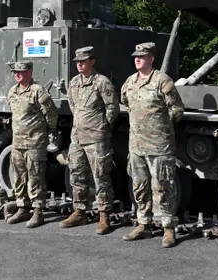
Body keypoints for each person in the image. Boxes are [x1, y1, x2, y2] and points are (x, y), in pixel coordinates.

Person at [120, 42, 184, 248]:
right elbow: (126, 103)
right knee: (139, 187)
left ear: (151, 58)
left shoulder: (162, 81)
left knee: (163, 188)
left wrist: (160, 127)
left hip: (158, 145)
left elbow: (177, 110)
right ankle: (143, 224)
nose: (137, 58)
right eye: (135, 56)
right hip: (137, 145)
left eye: (142, 56)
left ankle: (168, 228)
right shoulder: (130, 82)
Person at [60, 46, 120, 235]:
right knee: (77, 174)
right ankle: (80, 212)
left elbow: (113, 108)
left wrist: (102, 127)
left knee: (100, 177)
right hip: (77, 137)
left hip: (96, 139)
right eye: (77, 62)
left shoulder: (102, 82)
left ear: (92, 62)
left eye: (83, 61)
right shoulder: (74, 82)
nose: (79, 64)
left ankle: (104, 215)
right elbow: (72, 105)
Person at [5, 60, 59, 228]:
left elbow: (51, 115)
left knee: (35, 178)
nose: (17, 74)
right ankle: (22, 208)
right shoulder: (13, 91)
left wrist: (47, 131)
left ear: (30, 72)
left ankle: (37, 212)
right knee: (19, 178)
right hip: (18, 143)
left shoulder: (38, 91)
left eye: (21, 71)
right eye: (15, 72)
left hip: (35, 142)